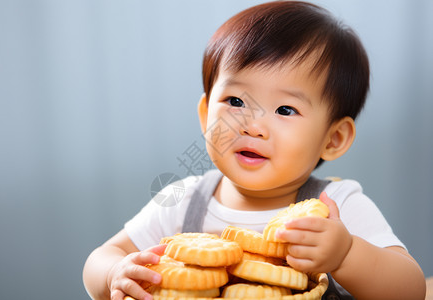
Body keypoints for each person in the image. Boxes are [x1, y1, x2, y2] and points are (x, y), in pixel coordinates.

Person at [82, 1, 426, 299]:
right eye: (235, 101)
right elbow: (103, 256)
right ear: (206, 116)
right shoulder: (184, 201)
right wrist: (115, 273)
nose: (252, 126)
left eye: (285, 110)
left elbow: (410, 289)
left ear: (332, 139)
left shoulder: (336, 208)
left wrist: (347, 255)